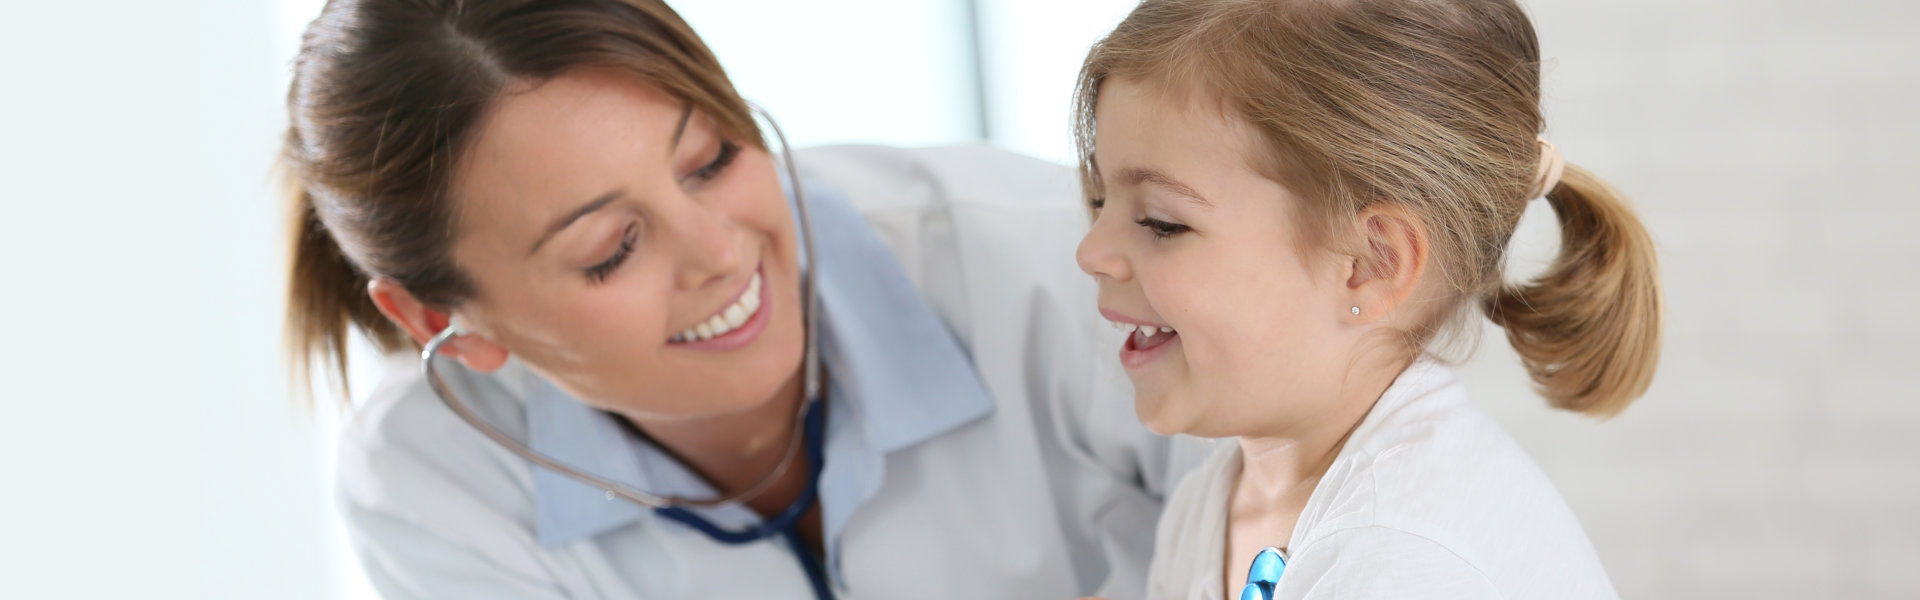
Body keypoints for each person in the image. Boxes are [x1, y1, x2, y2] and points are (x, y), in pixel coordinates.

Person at [281, 1, 1200, 598]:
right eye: (612, 249)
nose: (721, 253)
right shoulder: (434, 486)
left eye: (712, 160)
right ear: (440, 322)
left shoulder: (1068, 270)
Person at [1069, 0, 1662, 598]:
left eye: (1160, 222)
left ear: (1372, 264)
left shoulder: (1405, 557)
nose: (1091, 252)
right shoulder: (1209, 506)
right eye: (1099, 199)